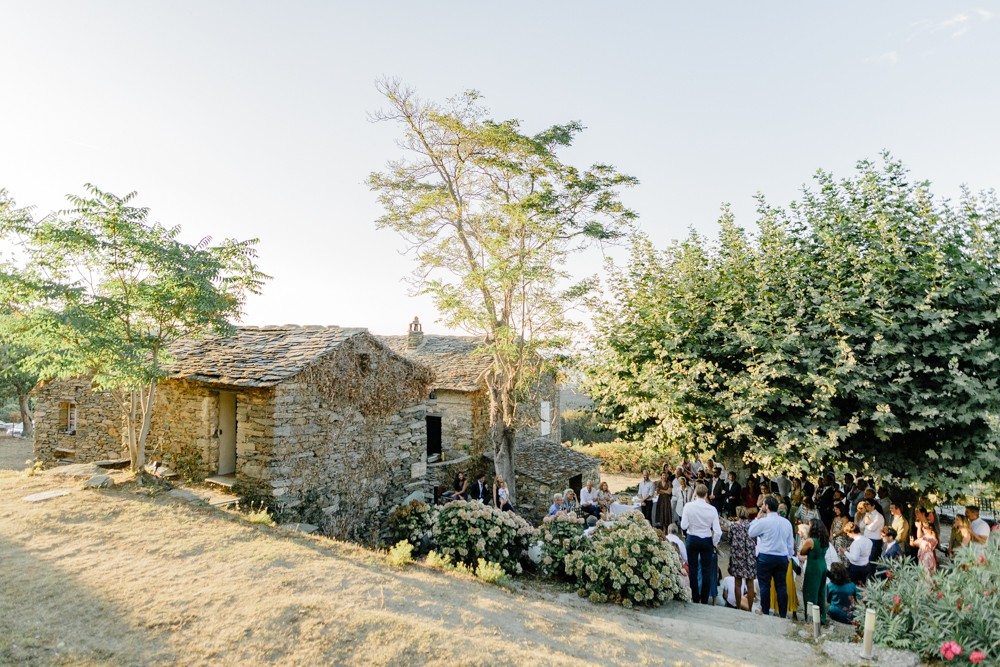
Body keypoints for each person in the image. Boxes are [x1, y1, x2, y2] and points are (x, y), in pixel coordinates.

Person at [748, 496, 795, 618]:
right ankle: (783, 613)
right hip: (781, 556)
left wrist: (757, 518)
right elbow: (790, 542)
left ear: (767, 507)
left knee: (764, 585)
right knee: (781, 585)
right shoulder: (786, 523)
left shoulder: (764, 521)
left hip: (766, 556)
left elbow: (751, 532)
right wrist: (789, 555)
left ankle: (765, 610)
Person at [680, 483, 722, 605]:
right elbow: (718, 532)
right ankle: (704, 599)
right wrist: (713, 543)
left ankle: (695, 597)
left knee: (693, 569)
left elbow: (683, 526)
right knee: (706, 570)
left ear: (695, 493)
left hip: (692, 538)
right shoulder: (712, 509)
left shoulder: (688, 506)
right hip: (706, 539)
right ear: (706, 495)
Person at [799, 518, 829, 625]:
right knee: (821, 592)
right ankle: (822, 617)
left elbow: (802, 552)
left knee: (810, 592)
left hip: (814, 567)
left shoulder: (810, 541)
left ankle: (811, 617)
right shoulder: (825, 539)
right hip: (823, 565)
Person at [728, 506, 757, 613]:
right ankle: (749, 608)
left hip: (737, 556)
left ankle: (739, 606)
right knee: (750, 583)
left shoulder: (734, 526)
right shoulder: (752, 526)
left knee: (738, 582)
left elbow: (730, 540)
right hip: (749, 556)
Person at [861, 500, 885, 571]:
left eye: (867, 504)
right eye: (865, 504)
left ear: (873, 506)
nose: (866, 506)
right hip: (866, 539)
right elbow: (860, 525)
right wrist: (866, 523)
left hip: (874, 541)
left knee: (871, 562)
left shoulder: (879, 516)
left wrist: (867, 523)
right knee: (865, 560)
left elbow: (872, 528)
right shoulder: (867, 514)